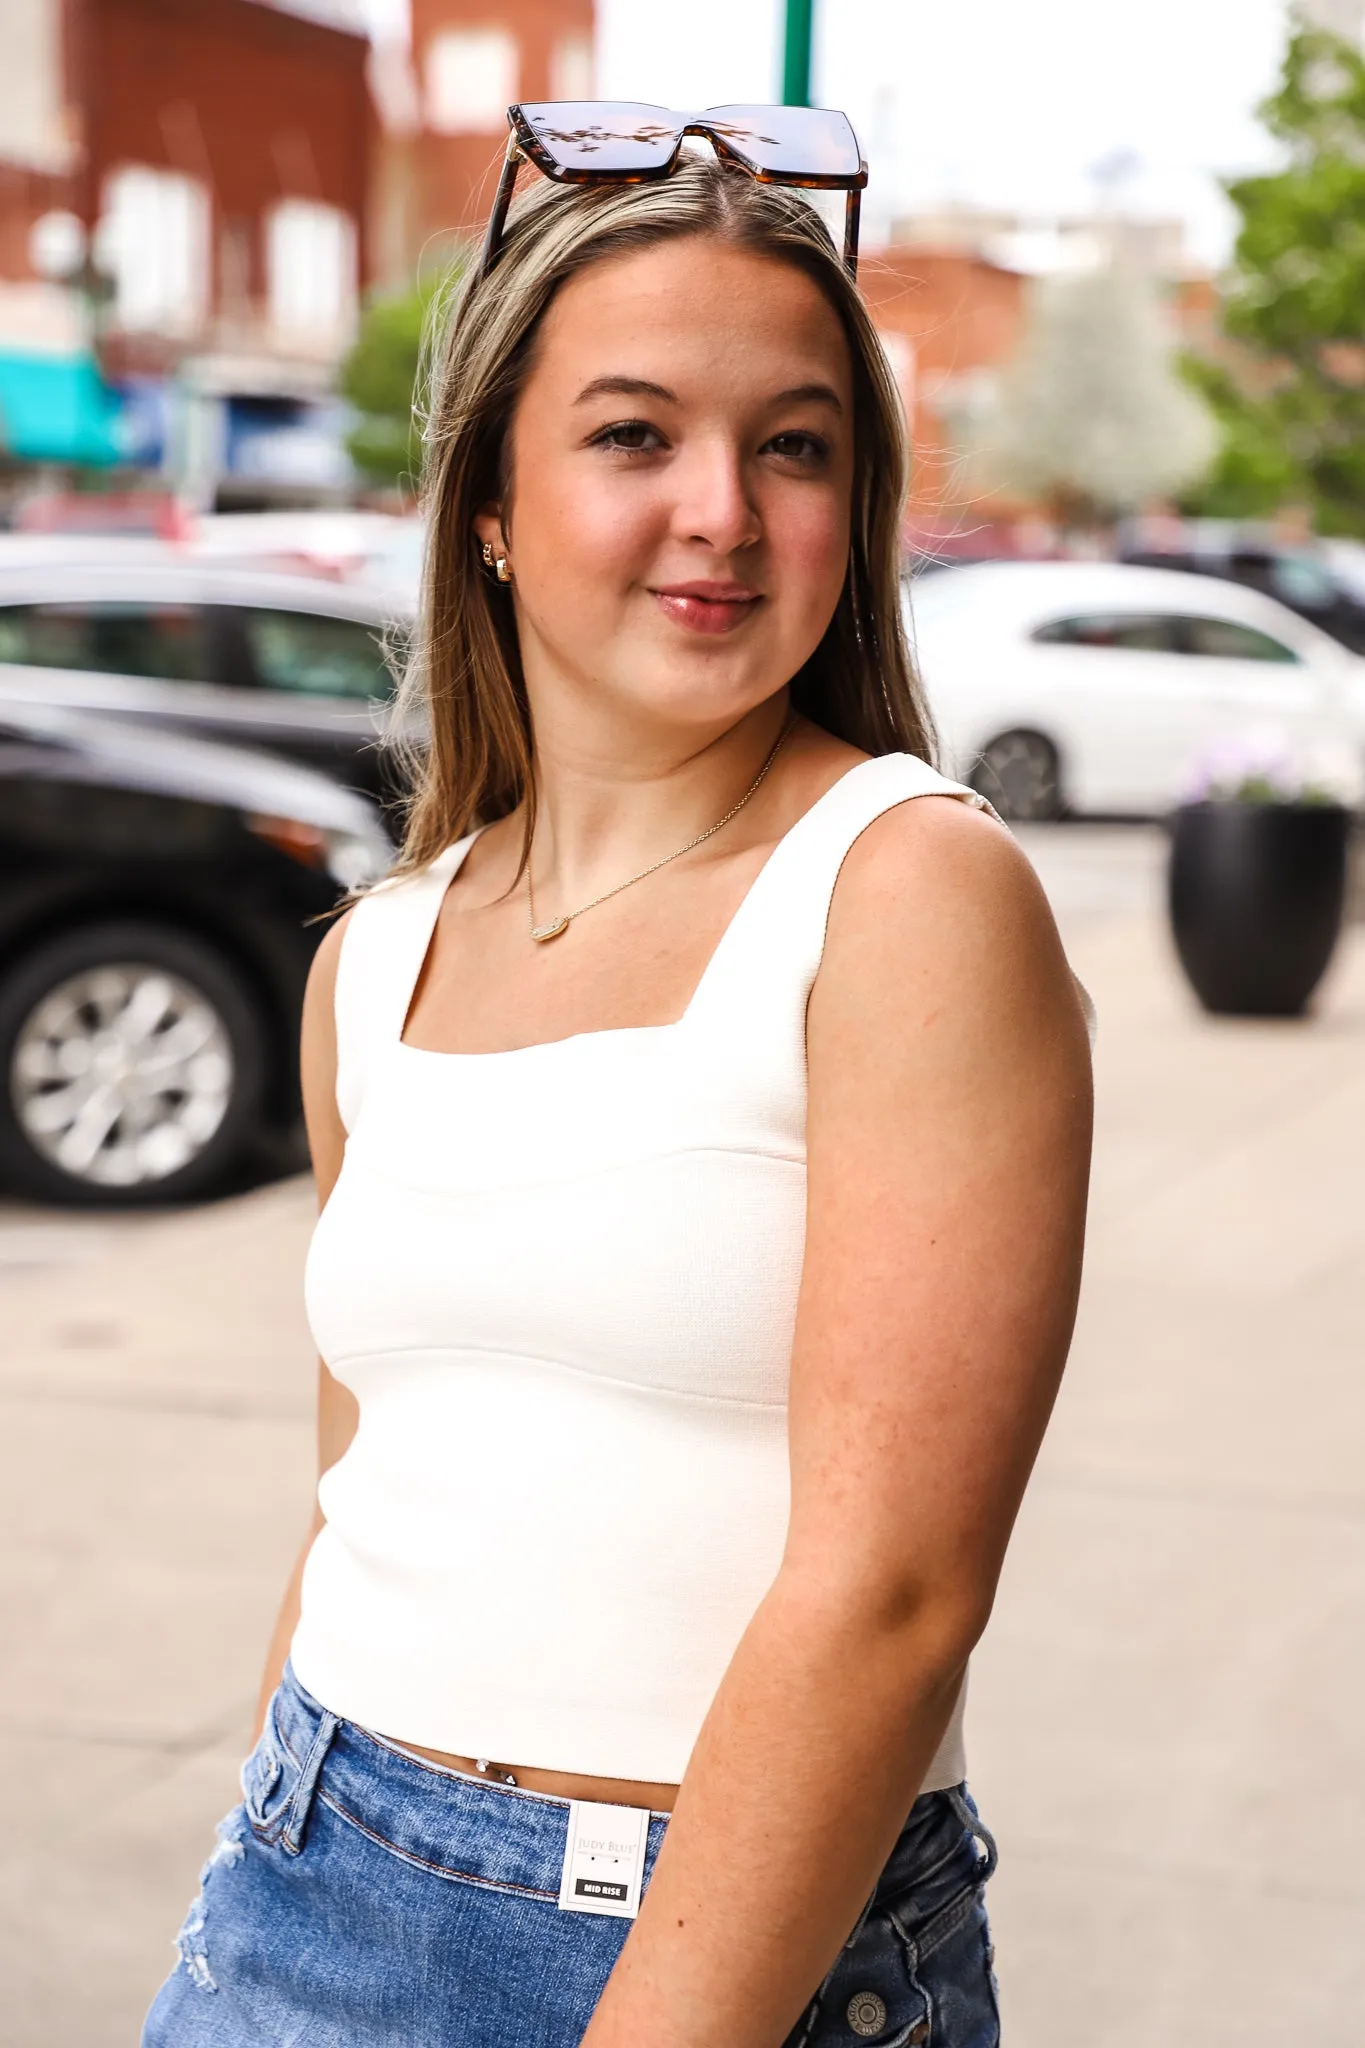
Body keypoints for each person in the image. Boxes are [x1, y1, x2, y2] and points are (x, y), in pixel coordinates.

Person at [145, 113, 1092, 2048]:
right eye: (635, 434)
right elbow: (360, 1496)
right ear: (490, 496)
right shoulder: (376, 958)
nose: (725, 511)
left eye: (796, 444)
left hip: (723, 1950)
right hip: (308, 1883)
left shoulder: (909, 892)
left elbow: (898, 1594)